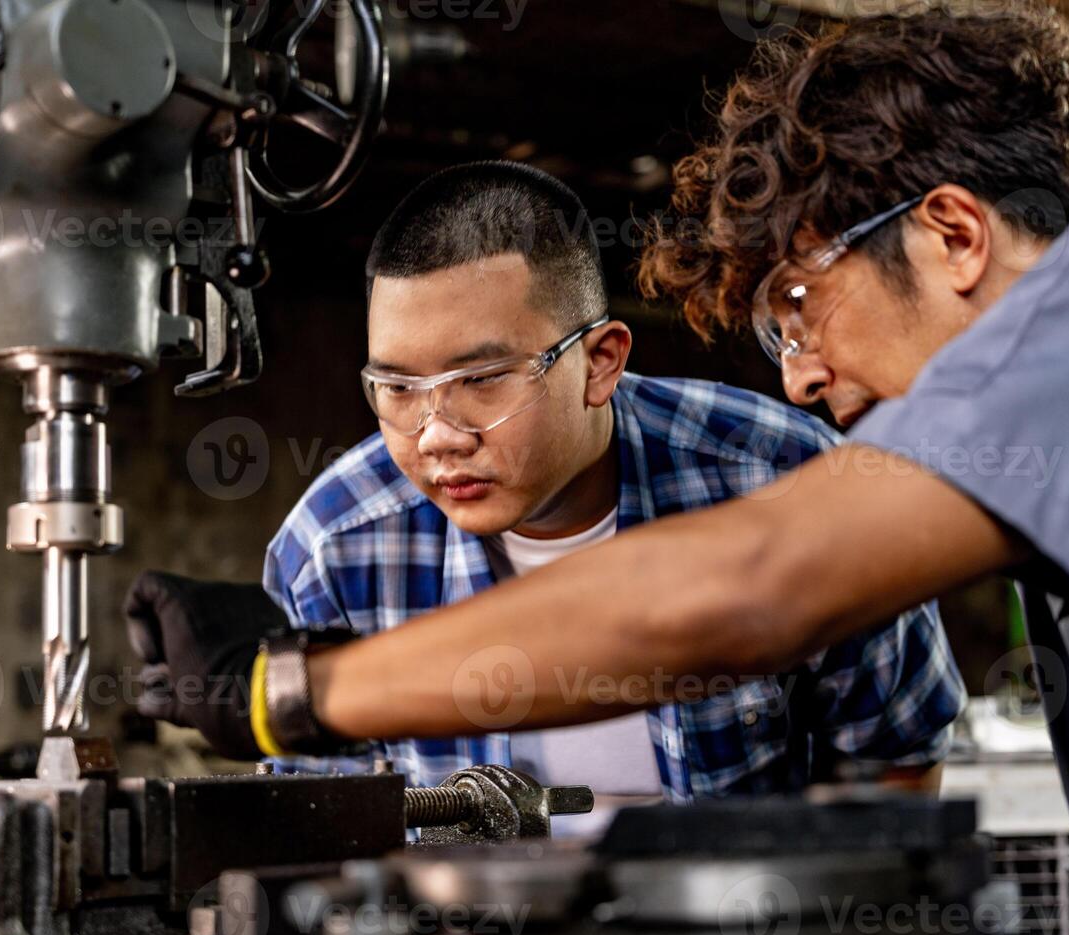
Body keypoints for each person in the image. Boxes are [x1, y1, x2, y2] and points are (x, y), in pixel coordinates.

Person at [131, 8, 1069, 935]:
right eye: (395, 387)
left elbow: (750, 590)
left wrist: (293, 685)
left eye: (797, 302)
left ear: (950, 233)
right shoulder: (343, 534)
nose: (794, 369)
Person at [129, 162, 962, 836]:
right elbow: (324, 830)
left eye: (483, 380)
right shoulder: (336, 543)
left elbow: (895, 757)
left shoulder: (776, 476)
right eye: (396, 388)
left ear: (600, 360)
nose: (437, 434)